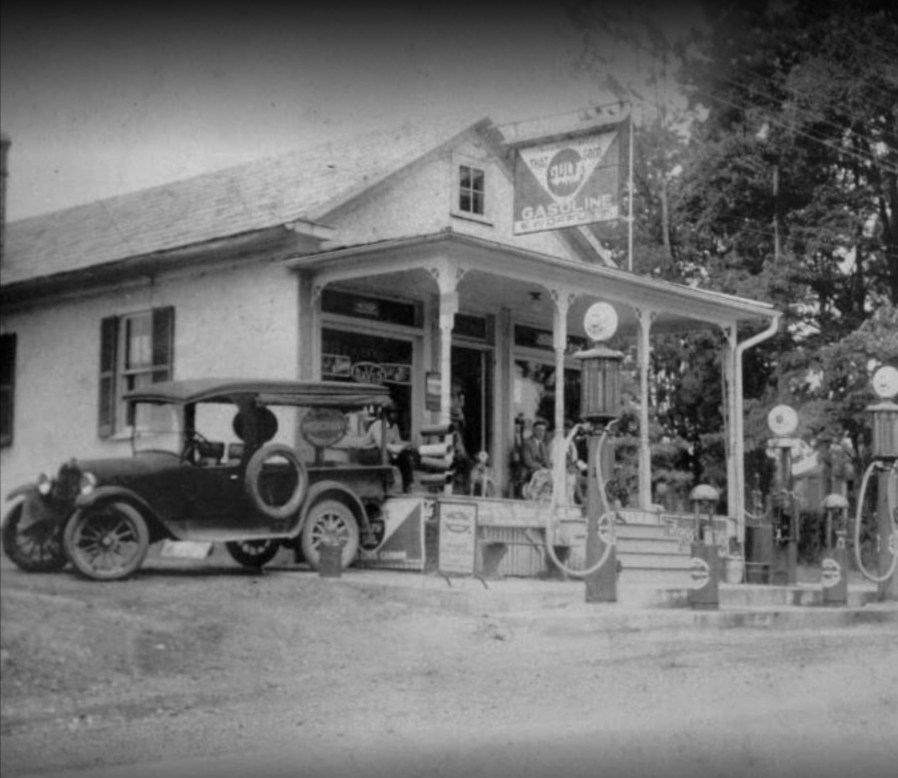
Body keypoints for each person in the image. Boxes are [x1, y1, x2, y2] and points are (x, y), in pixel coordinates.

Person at [342, 407, 419, 492]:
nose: (395, 415)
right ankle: (388, 483)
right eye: (393, 413)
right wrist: (396, 449)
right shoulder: (378, 425)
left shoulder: (394, 427)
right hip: (367, 452)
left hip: (385, 451)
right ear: (388, 415)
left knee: (404, 456)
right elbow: (381, 444)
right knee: (383, 455)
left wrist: (406, 446)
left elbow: (397, 442)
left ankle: (407, 485)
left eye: (397, 413)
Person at [520, 417, 552, 481]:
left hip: (541, 471)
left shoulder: (542, 444)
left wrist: (550, 468)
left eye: (543, 430)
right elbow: (528, 462)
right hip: (529, 471)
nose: (541, 433)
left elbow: (546, 459)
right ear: (533, 430)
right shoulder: (527, 443)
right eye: (539, 430)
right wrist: (542, 468)